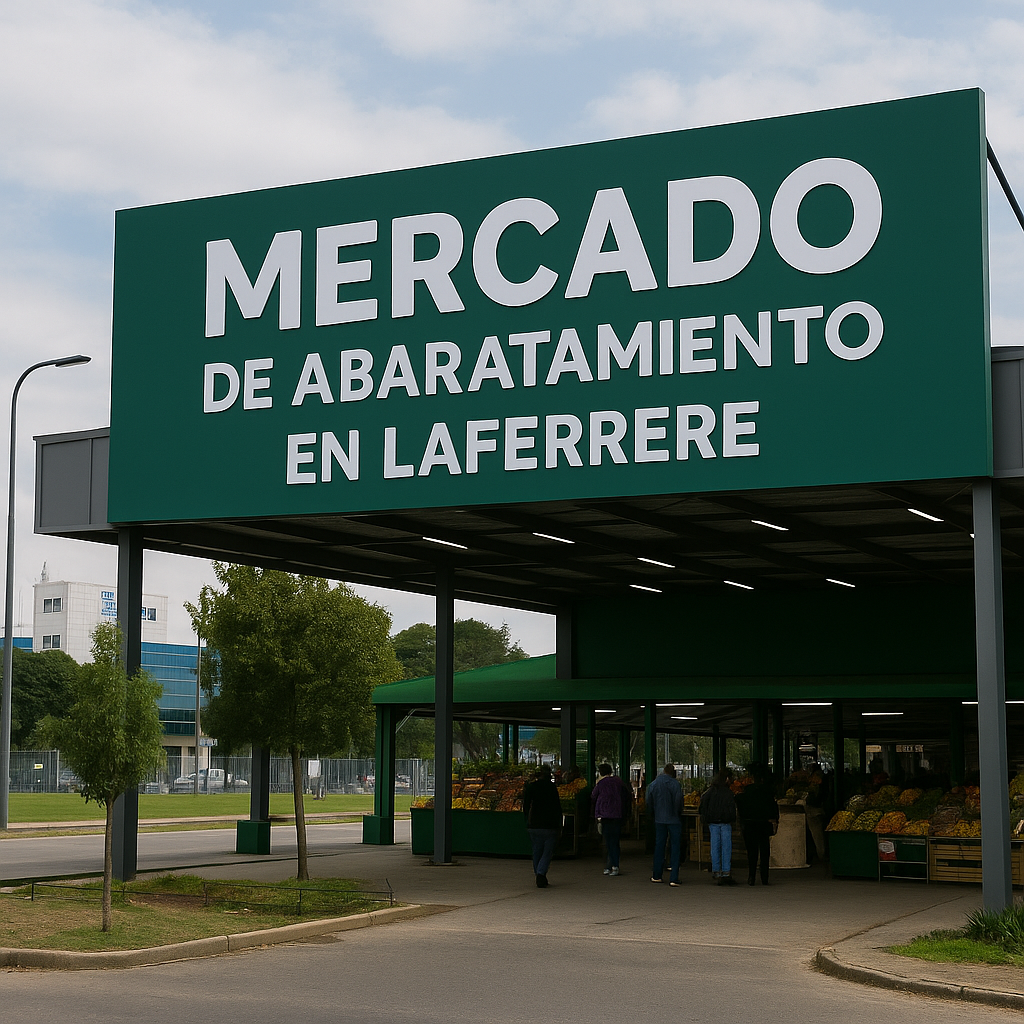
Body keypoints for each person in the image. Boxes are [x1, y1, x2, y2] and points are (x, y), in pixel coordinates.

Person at [735, 764, 779, 886]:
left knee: (752, 852)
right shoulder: (768, 792)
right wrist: (775, 820)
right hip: (764, 824)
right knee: (765, 851)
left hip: (749, 824)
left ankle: (751, 877)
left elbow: (740, 804)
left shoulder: (746, 793)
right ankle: (765, 877)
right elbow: (773, 808)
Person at [521, 764, 563, 887]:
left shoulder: (531, 787)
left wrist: (527, 819)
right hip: (550, 824)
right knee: (547, 852)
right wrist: (560, 823)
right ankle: (541, 873)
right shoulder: (552, 788)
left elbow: (526, 805)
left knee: (536, 851)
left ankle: (538, 873)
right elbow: (557, 807)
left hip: (534, 824)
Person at [591, 762, 632, 876]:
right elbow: (627, 796)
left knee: (608, 841)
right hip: (617, 815)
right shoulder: (619, 782)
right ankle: (615, 865)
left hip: (605, 815)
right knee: (615, 841)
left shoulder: (601, 784)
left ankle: (609, 866)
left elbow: (593, 796)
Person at [647, 763, 684, 886]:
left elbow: (649, 801)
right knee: (675, 847)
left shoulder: (654, 784)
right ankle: (674, 878)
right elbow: (678, 801)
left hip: (659, 819)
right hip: (674, 819)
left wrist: (653, 813)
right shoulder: (675, 784)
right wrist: (677, 813)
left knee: (659, 846)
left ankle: (657, 875)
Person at [699, 769, 737, 885]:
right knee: (726, 847)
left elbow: (702, 806)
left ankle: (716, 871)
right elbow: (732, 809)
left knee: (715, 847)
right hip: (725, 822)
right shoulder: (728, 793)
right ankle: (726, 871)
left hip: (713, 822)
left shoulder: (710, 791)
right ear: (726, 779)